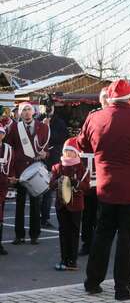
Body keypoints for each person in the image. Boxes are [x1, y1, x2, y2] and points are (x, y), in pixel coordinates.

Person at [77, 79, 130, 301]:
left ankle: (92, 282)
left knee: (102, 236)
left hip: (106, 189)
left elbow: (83, 144)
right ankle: (123, 288)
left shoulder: (94, 117)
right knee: (128, 240)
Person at [6, 102, 50, 245]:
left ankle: (34, 235)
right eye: (23, 110)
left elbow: (48, 147)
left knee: (35, 204)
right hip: (19, 171)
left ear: (33, 112)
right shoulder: (14, 128)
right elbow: (9, 151)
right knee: (19, 205)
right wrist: (11, 172)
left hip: (35, 170)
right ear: (19, 113)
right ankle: (19, 235)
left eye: (28, 109)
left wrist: (46, 154)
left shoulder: (43, 127)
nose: (26, 112)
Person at [51, 137, 90, 270]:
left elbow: (86, 186)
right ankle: (63, 259)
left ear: (76, 152)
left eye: (71, 151)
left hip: (76, 205)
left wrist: (76, 183)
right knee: (63, 232)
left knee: (73, 232)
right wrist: (59, 182)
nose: (68, 153)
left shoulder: (81, 168)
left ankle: (72, 261)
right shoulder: (57, 167)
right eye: (66, 151)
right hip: (61, 204)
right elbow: (51, 184)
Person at [79, 87, 108, 256]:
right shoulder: (93, 116)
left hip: (109, 171)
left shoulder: (117, 116)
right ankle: (87, 243)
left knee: (104, 212)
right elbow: (82, 140)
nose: (105, 100)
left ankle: (101, 244)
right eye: (103, 97)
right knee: (88, 211)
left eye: (108, 97)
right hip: (92, 169)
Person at [41, 104, 69, 229]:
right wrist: (42, 125)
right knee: (36, 191)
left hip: (53, 160)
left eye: (50, 106)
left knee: (49, 190)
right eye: (46, 106)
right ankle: (36, 218)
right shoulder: (38, 119)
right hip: (38, 159)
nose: (48, 109)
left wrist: (47, 128)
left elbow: (62, 138)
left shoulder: (59, 122)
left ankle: (45, 218)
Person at [0, 125, 16, 255]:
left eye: (1, 133)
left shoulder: (8, 149)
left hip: (2, 185)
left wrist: (11, 178)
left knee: (0, 214)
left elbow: (11, 166)